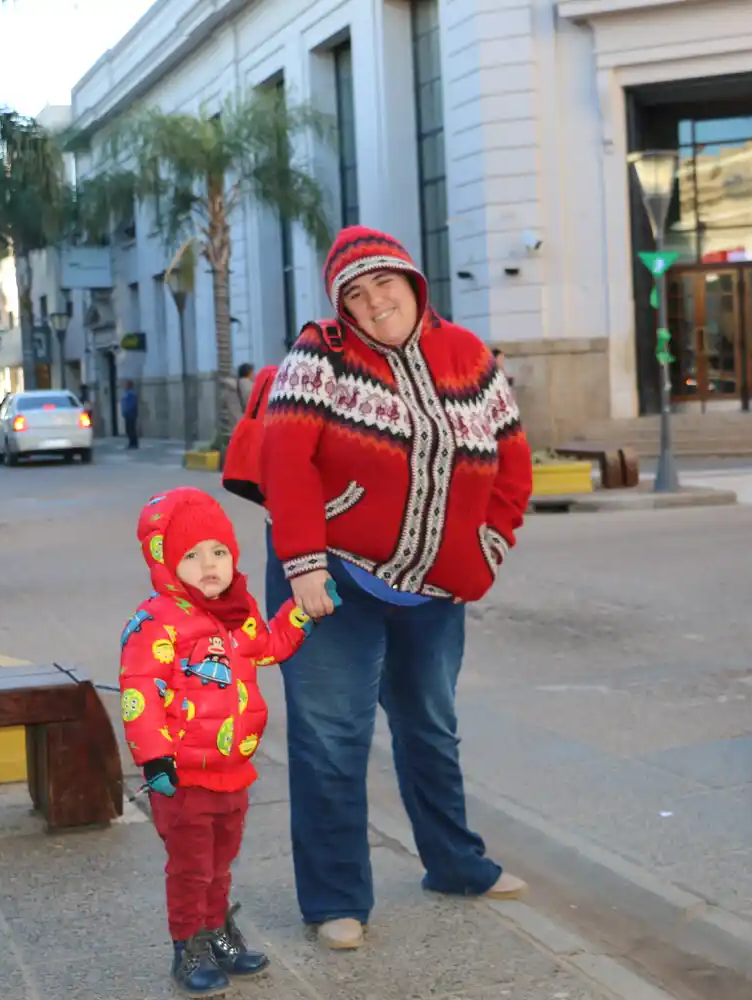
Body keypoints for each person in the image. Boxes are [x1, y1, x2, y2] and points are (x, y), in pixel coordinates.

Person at [260, 225, 533, 950]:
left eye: (384, 283)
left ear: (413, 282)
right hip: (330, 573)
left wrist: (487, 544)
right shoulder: (320, 353)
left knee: (431, 726)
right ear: (341, 305)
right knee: (330, 737)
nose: (374, 301)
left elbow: (512, 464)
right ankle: (335, 900)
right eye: (356, 291)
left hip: (435, 586)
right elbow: (284, 459)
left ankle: (455, 864)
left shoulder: (469, 356)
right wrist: (304, 563)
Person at [119, 487, 322, 997]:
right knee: (191, 866)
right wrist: (154, 757)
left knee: (221, 860)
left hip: (233, 768)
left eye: (219, 552)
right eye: (191, 555)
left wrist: (300, 615)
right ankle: (187, 947)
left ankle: (216, 934)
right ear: (165, 562)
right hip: (183, 774)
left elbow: (269, 646)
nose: (209, 565)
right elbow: (140, 689)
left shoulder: (238, 610)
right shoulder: (157, 621)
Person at [122, 379, 141, 450]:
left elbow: (132, 404)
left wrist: (128, 411)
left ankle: (133, 443)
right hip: (127, 413)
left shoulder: (131, 393)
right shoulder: (125, 393)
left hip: (131, 413)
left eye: (125, 384)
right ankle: (131, 442)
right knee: (128, 429)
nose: (124, 386)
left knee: (131, 429)